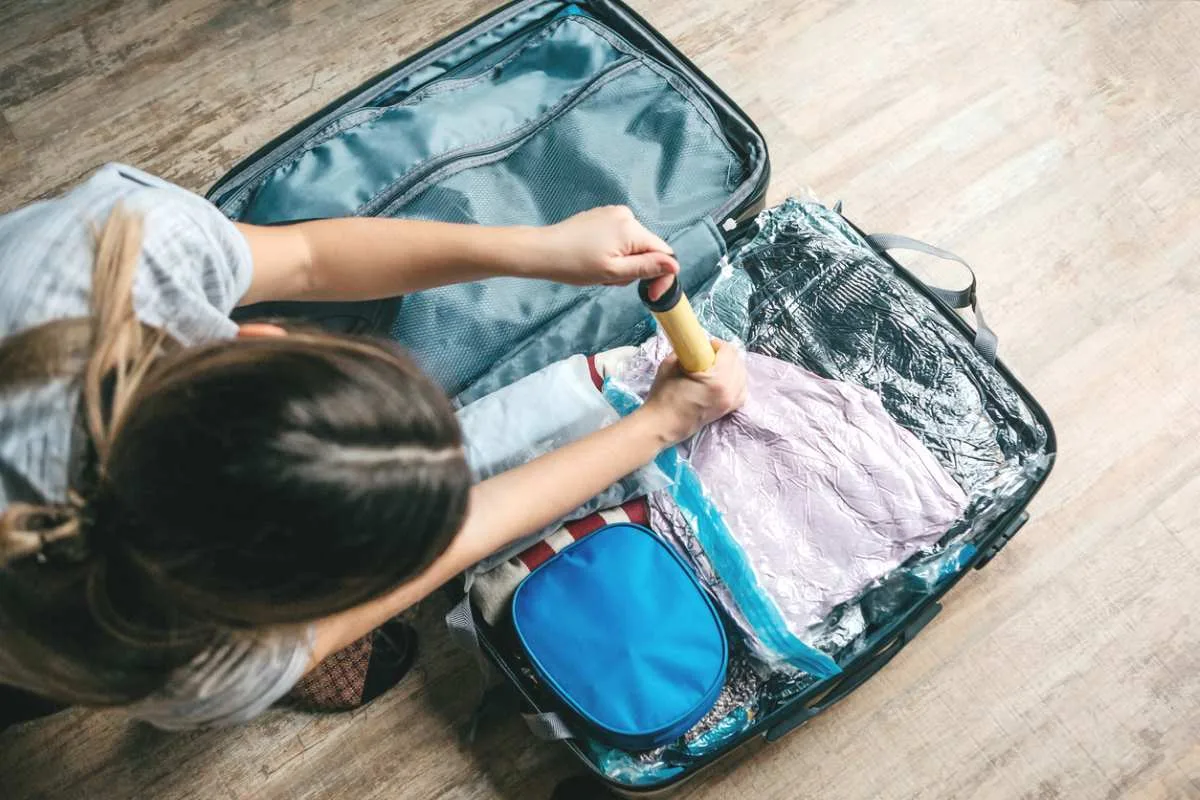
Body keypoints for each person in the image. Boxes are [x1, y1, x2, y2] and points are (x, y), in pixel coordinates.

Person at [0, 164, 747, 730]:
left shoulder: (113, 252)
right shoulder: (201, 671)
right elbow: (456, 542)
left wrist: (541, 249)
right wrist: (658, 425)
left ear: (264, 339)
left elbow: (304, 259)